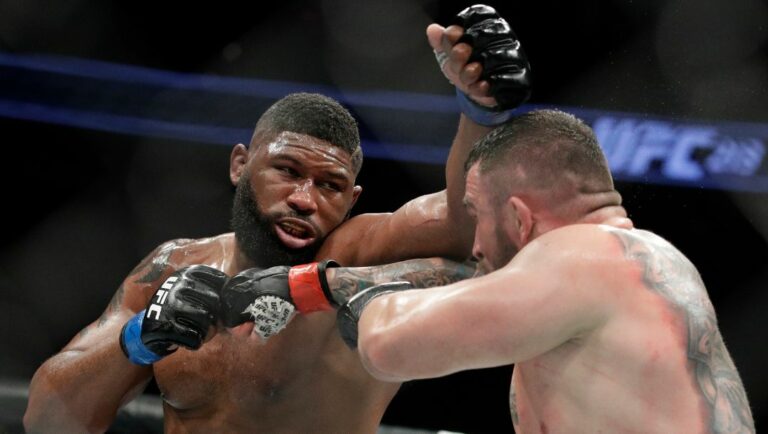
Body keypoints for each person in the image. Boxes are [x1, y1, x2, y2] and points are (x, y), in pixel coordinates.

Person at [24, 5, 532, 433]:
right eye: (287, 171)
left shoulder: (356, 252)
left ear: (351, 200)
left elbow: (462, 217)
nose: (305, 199)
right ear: (240, 165)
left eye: (330, 186)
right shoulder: (173, 266)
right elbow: (46, 420)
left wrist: (480, 114)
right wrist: (135, 339)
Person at [329, 109, 756, 433]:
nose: (475, 245)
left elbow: (388, 347)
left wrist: (359, 295)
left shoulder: (581, 255)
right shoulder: (639, 258)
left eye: (476, 215)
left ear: (518, 217)